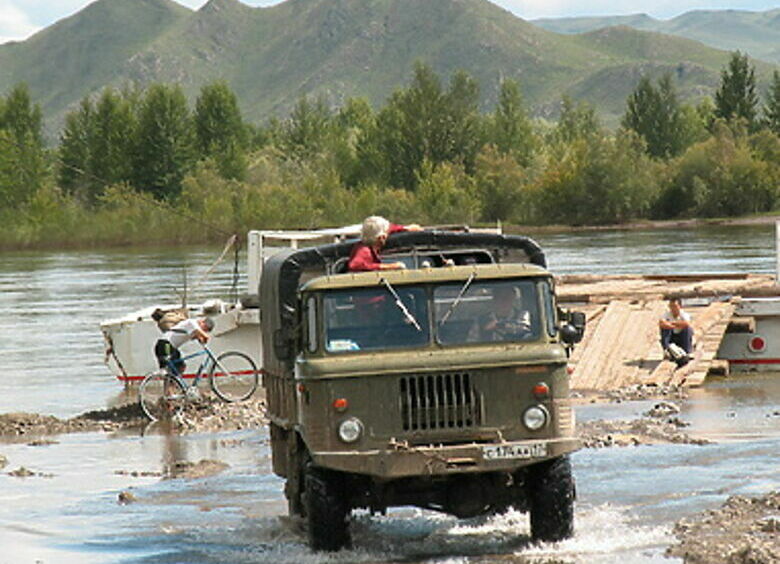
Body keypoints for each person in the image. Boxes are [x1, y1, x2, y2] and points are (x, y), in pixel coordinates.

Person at [347, 216, 422, 272]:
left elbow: (390, 228)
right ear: (381, 238)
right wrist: (388, 267)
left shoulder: (370, 241)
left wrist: (406, 228)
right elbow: (355, 265)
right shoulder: (364, 251)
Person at [659, 297, 693, 367]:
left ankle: (687, 351)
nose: (673, 308)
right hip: (672, 337)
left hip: (681, 337)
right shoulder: (667, 314)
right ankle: (666, 350)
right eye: (671, 306)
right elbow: (661, 323)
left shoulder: (684, 314)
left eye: (675, 306)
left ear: (679, 306)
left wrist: (671, 324)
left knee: (688, 329)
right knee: (665, 329)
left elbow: (686, 323)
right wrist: (676, 325)